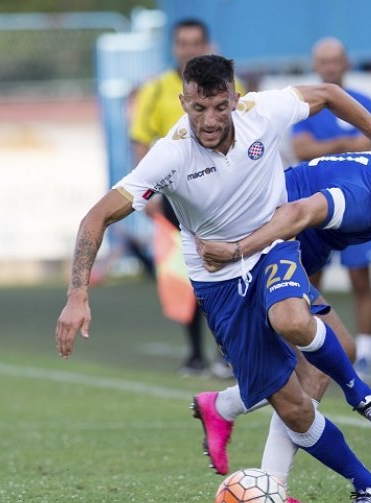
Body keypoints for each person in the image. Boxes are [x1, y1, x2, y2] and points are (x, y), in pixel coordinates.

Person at [56, 54, 371, 503]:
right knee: (293, 407)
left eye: (219, 107)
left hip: (272, 249)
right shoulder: (170, 155)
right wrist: (77, 295)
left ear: (235, 99)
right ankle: (368, 487)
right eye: (197, 108)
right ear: (183, 101)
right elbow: (96, 216)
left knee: (292, 318)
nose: (208, 120)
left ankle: (360, 393)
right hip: (218, 284)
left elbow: (328, 95)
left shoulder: (262, 112)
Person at [196, 133, 371, 503]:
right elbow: (297, 214)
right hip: (258, 250)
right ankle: (359, 402)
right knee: (301, 345)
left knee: (331, 355)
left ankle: (233, 420)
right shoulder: (366, 196)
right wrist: (239, 251)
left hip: (276, 254)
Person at [129, 18, 243, 378]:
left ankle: (229, 352)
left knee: (228, 271)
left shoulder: (231, 85)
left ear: (206, 43)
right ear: (174, 47)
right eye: (183, 43)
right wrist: (146, 194)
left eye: (196, 42)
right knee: (185, 276)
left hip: (222, 196)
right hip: (175, 197)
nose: (189, 48)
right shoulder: (156, 90)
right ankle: (195, 353)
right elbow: (141, 141)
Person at [292, 37, 371, 381]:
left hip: (359, 204)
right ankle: (310, 346)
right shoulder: (305, 104)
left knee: (362, 279)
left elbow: (368, 144)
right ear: (316, 66)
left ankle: (367, 354)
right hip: (315, 207)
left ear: (346, 63)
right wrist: (345, 145)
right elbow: (301, 149)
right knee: (308, 278)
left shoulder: (364, 101)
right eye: (324, 62)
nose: (330, 67)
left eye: (335, 61)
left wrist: (326, 149)